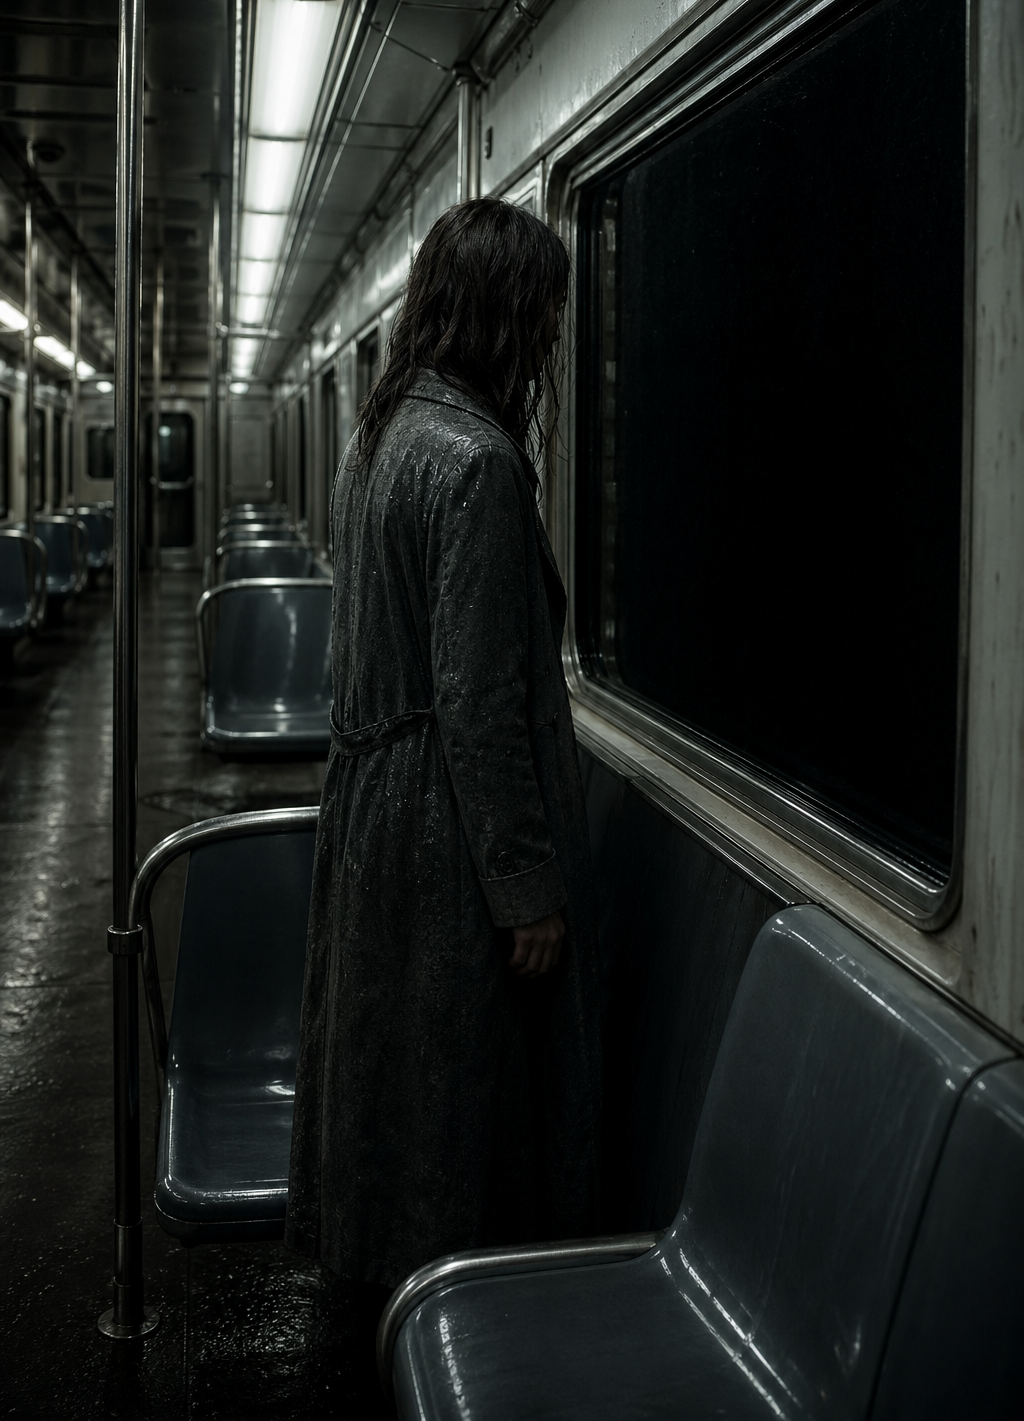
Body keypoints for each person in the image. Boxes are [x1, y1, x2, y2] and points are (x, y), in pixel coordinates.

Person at [285, 197, 602, 1290]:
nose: (553, 340)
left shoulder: (379, 436)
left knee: (383, 1079)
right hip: (443, 835)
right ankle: (450, 1314)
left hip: (374, 805)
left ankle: (379, 1278)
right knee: (451, 1090)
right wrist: (523, 886)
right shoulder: (475, 463)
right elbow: (477, 699)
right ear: (507, 316)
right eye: (544, 316)